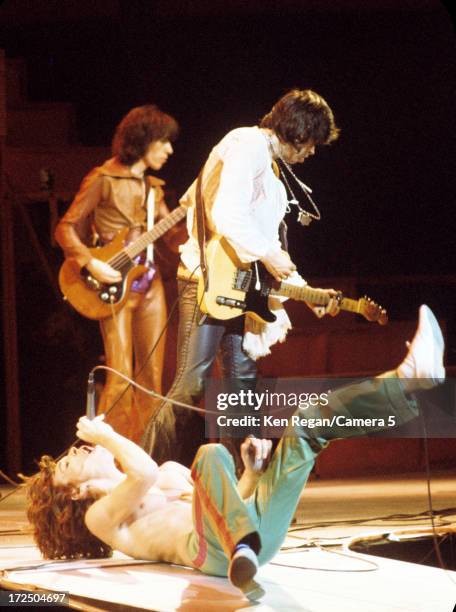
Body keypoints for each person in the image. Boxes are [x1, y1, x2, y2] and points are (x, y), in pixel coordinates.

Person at [26, 305, 445, 601]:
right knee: (209, 452)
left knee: (306, 426)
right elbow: (142, 475)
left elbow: (229, 501)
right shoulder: (102, 518)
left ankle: (406, 381)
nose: (79, 450)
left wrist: (251, 473)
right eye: (69, 463)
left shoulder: (168, 475)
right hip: (212, 554)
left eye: (75, 450)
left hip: (255, 535)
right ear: (74, 493)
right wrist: (106, 436)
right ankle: (241, 548)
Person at [141, 89, 342, 466]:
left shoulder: (272, 167)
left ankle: (247, 490)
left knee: (242, 391)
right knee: (190, 385)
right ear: (298, 132)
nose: (312, 153)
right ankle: (144, 478)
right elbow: (227, 214)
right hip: (207, 282)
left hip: (242, 288)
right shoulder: (246, 143)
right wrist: (266, 253)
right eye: (311, 143)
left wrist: (308, 294)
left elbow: (269, 245)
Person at [55, 105, 184, 443]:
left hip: (150, 281)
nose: (170, 150)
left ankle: (145, 454)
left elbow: (172, 239)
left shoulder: (153, 188)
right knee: (120, 373)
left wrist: (202, 227)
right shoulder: (103, 178)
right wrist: (90, 262)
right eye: (164, 142)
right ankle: (108, 455)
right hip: (114, 282)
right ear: (144, 140)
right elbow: (65, 228)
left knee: (153, 376)